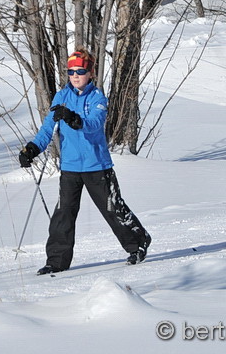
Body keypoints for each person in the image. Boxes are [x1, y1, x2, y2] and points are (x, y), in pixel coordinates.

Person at [18, 49, 151, 273]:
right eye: (71, 71)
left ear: (90, 73)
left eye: (80, 71)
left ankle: (138, 243)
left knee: (112, 209)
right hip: (70, 167)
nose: (75, 76)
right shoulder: (62, 96)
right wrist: (32, 149)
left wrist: (73, 118)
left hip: (97, 166)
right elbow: (48, 128)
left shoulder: (97, 98)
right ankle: (56, 262)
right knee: (63, 214)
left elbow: (93, 125)